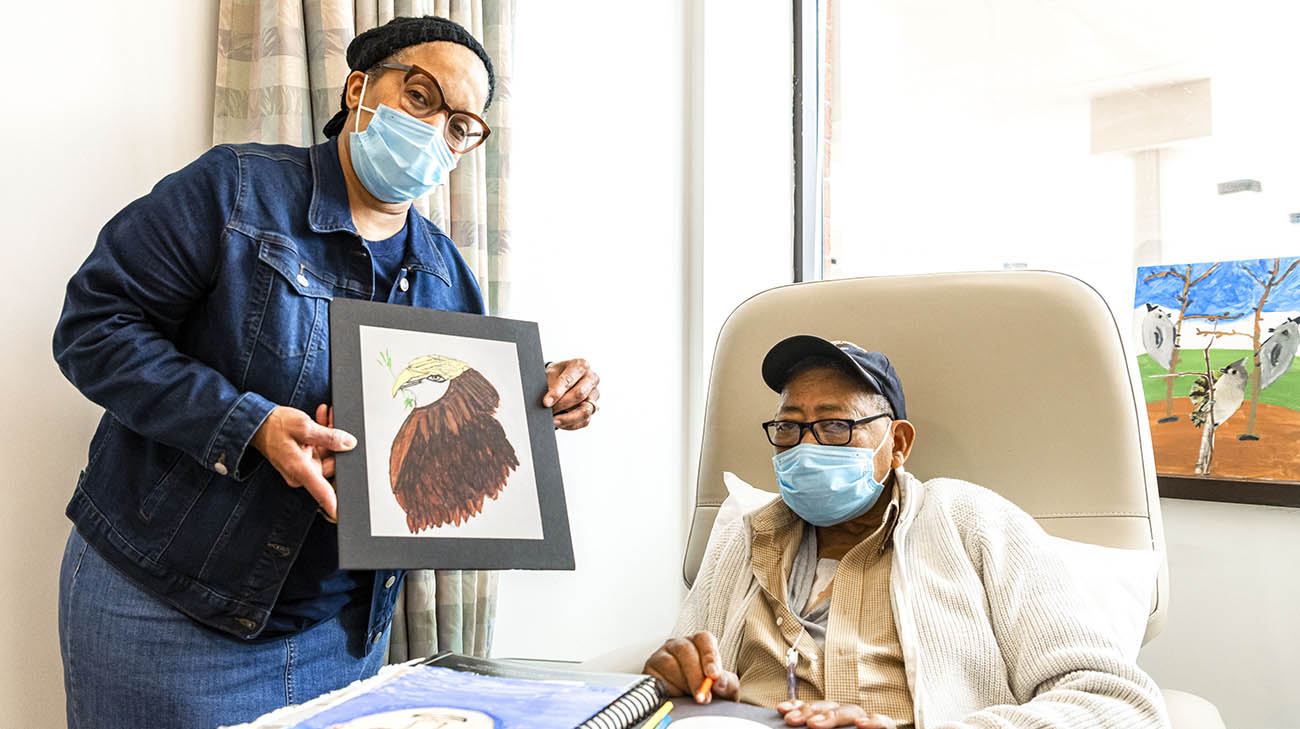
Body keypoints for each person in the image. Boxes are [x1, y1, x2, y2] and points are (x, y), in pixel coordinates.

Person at [52, 16, 599, 729]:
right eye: (422, 97)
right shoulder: (235, 191)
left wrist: (537, 398)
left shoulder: (449, 279)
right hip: (168, 610)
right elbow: (94, 326)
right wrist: (249, 426)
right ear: (360, 88)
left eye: (462, 124)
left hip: (340, 642)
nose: (437, 131)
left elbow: (445, 439)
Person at [643, 336, 1169, 729]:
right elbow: (687, 679)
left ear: (897, 444)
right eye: (789, 427)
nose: (805, 447)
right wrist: (670, 679)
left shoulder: (972, 523)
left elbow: (1117, 703)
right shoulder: (744, 533)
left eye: (834, 426)